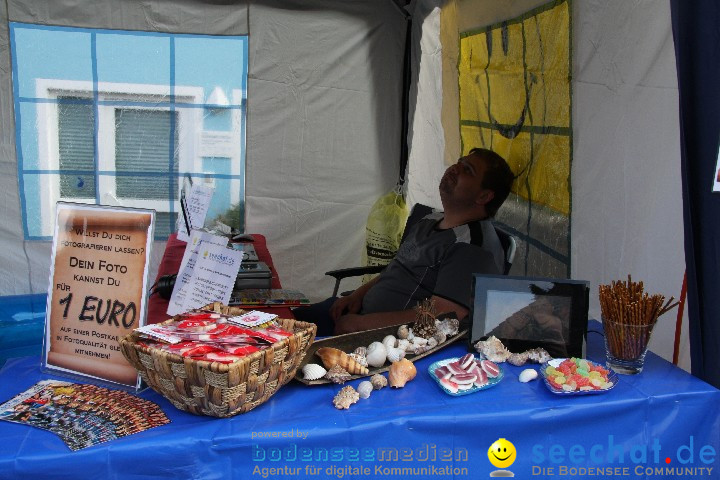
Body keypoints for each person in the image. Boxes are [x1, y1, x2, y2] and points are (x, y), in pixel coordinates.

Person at [294, 148, 515, 335]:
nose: (455, 168)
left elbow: (443, 315)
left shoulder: (472, 249)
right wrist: (357, 295)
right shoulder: (430, 219)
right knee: (280, 324)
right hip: (357, 314)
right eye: (459, 162)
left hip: (385, 340)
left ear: (484, 197)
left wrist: (362, 325)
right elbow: (396, 268)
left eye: (468, 170)